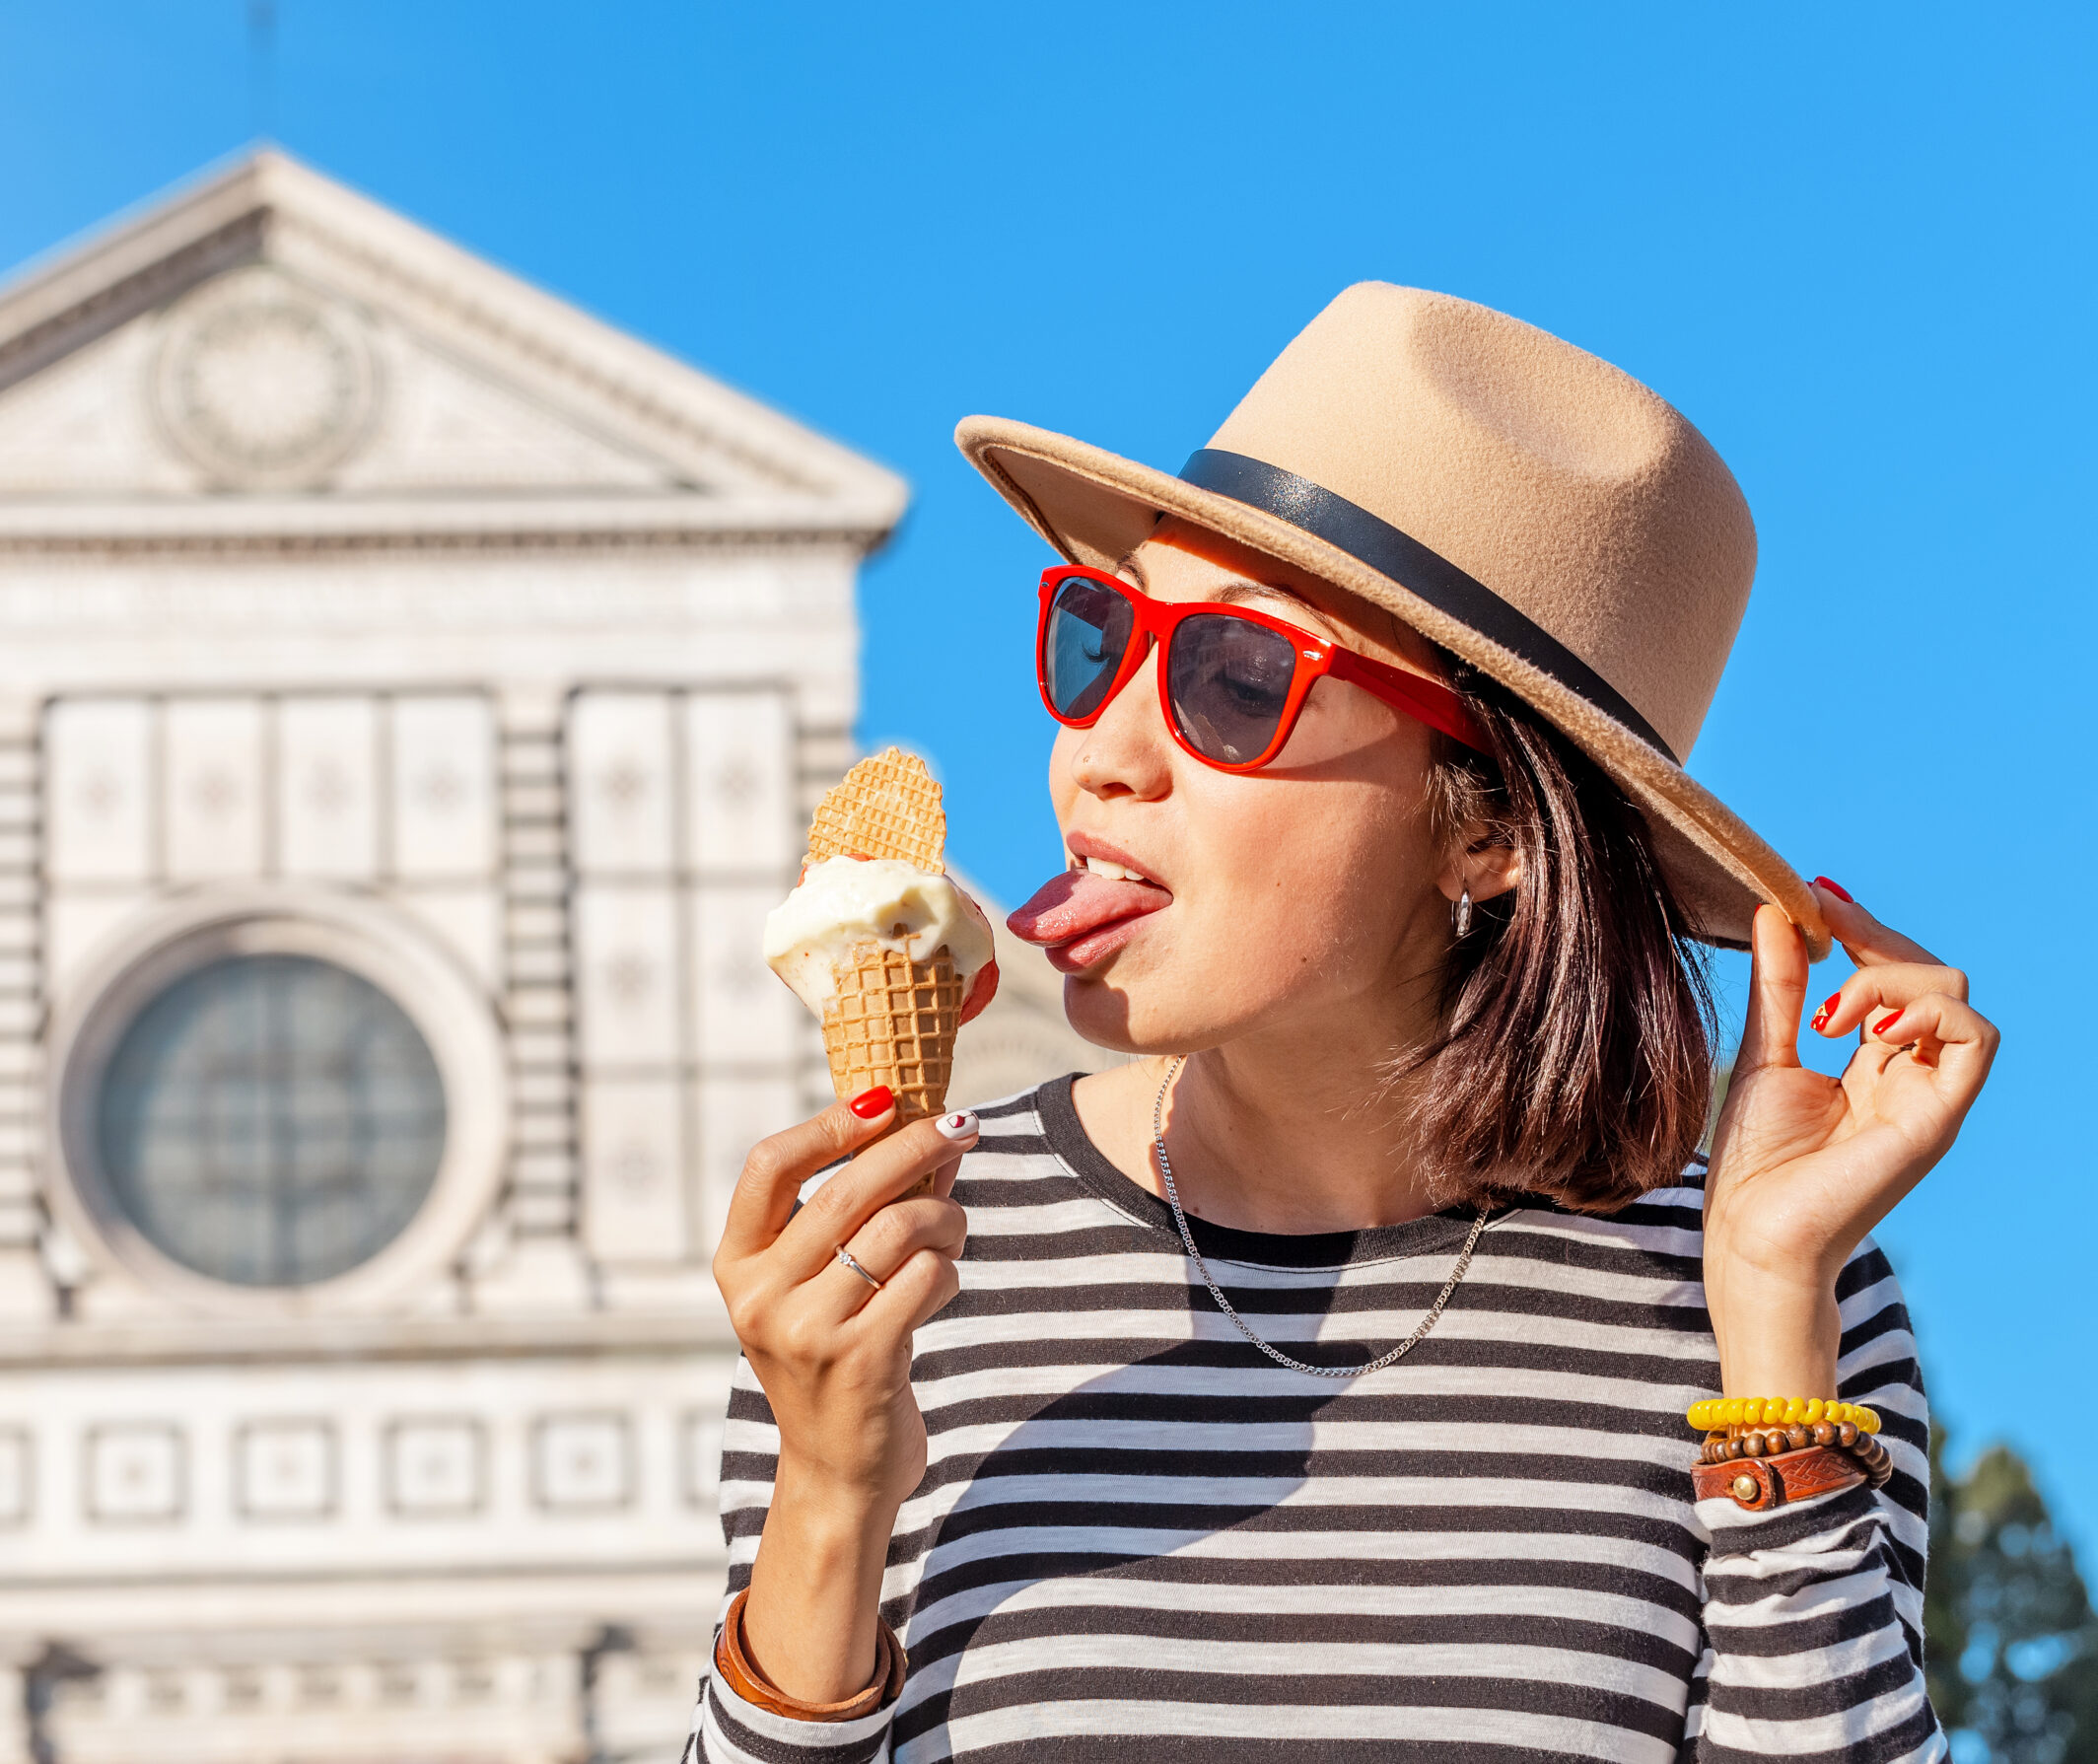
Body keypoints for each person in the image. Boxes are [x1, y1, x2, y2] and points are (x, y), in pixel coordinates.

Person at [687, 283, 1992, 1763]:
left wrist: (1767, 1302)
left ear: (1489, 828)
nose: (1100, 755)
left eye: (1235, 682)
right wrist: (832, 1491)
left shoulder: (1775, 1292)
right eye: (1102, 636)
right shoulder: (898, 1266)